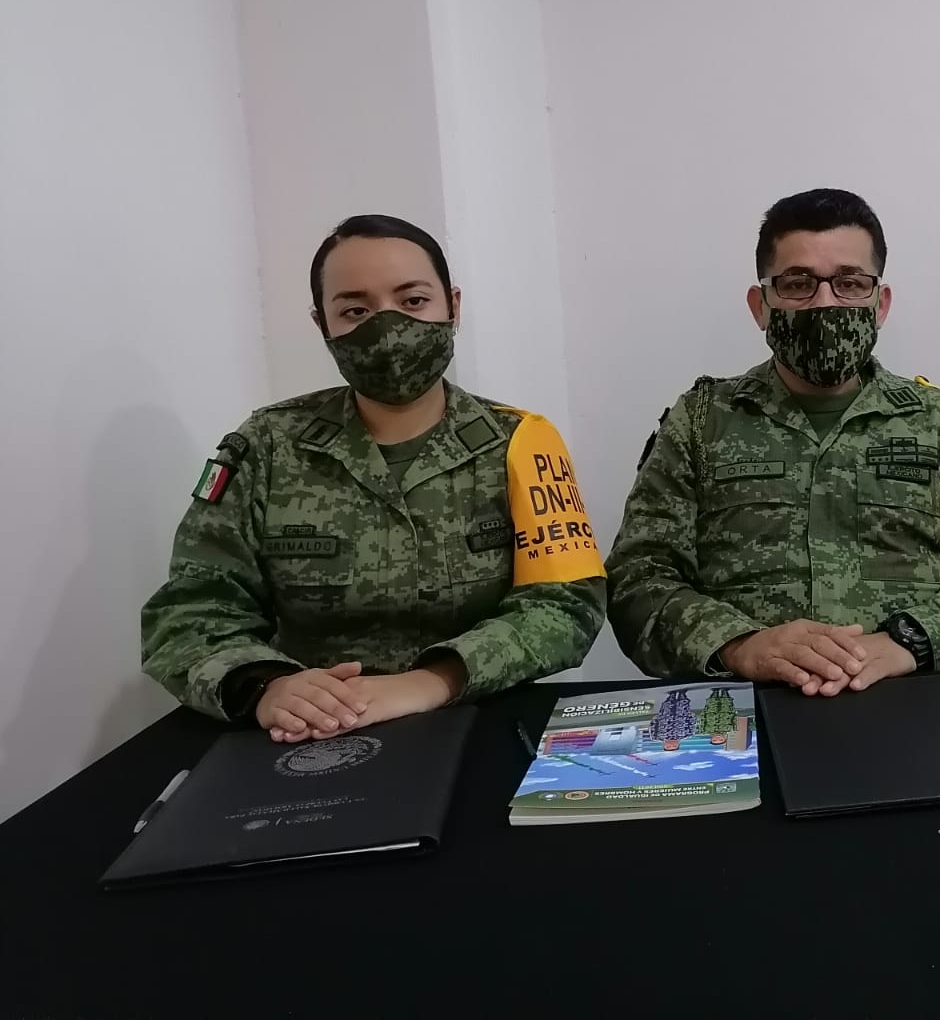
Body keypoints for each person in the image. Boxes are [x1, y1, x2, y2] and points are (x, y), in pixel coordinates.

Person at [142, 215, 605, 740]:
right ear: (323, 326)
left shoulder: (521, 441)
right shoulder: (268, 446)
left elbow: (565, 604)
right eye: (356, 311)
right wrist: (266, 686)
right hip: (314, 731)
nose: (387, 329)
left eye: (413, 301)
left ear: (453, 307)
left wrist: (433, 680)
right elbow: (192, 609)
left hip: (483, 719)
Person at [607, 188, 940, 694]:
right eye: (797, 284)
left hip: (915, 697)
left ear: (880, 303)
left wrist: (911, 642)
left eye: (849, 283)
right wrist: (739, 644)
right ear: (760, 305)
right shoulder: (701, 420)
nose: (825, 303)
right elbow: (639, 578)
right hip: (749, 701)